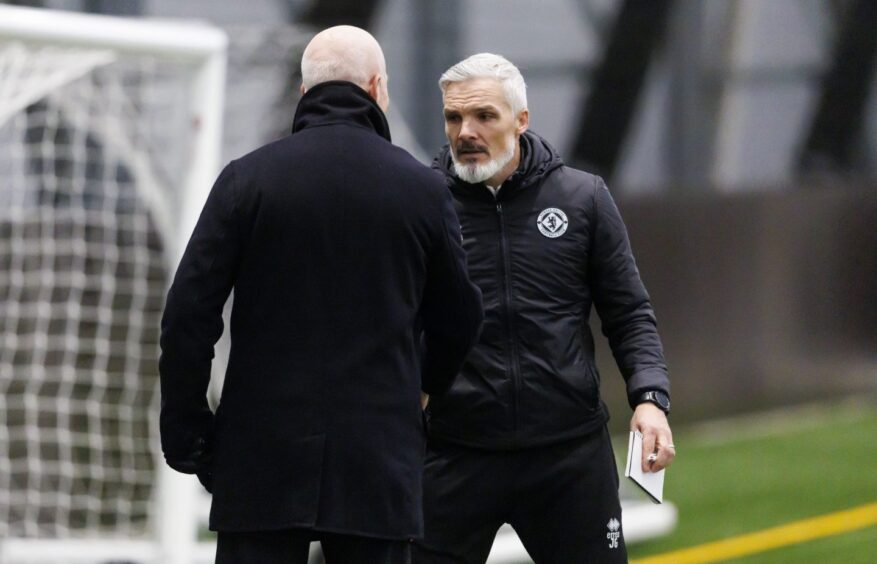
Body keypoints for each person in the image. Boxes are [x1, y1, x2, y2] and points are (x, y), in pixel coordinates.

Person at [159, 26, 483, 564]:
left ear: (305, 93)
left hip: (260, 459)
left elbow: (188, 316)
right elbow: (462, 316)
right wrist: (423, 388)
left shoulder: (247, 180)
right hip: (377, 460)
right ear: (379, 88)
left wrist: (189, 435)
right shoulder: (422, 190)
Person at [413, 53, 675, 564]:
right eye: (453, 117)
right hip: (452, 453)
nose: (466, 131)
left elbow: (628, 313)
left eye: (484, 116)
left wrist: (649, 397)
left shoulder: (583, 198)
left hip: (568, 456)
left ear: (521, 120)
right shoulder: (421, 204)